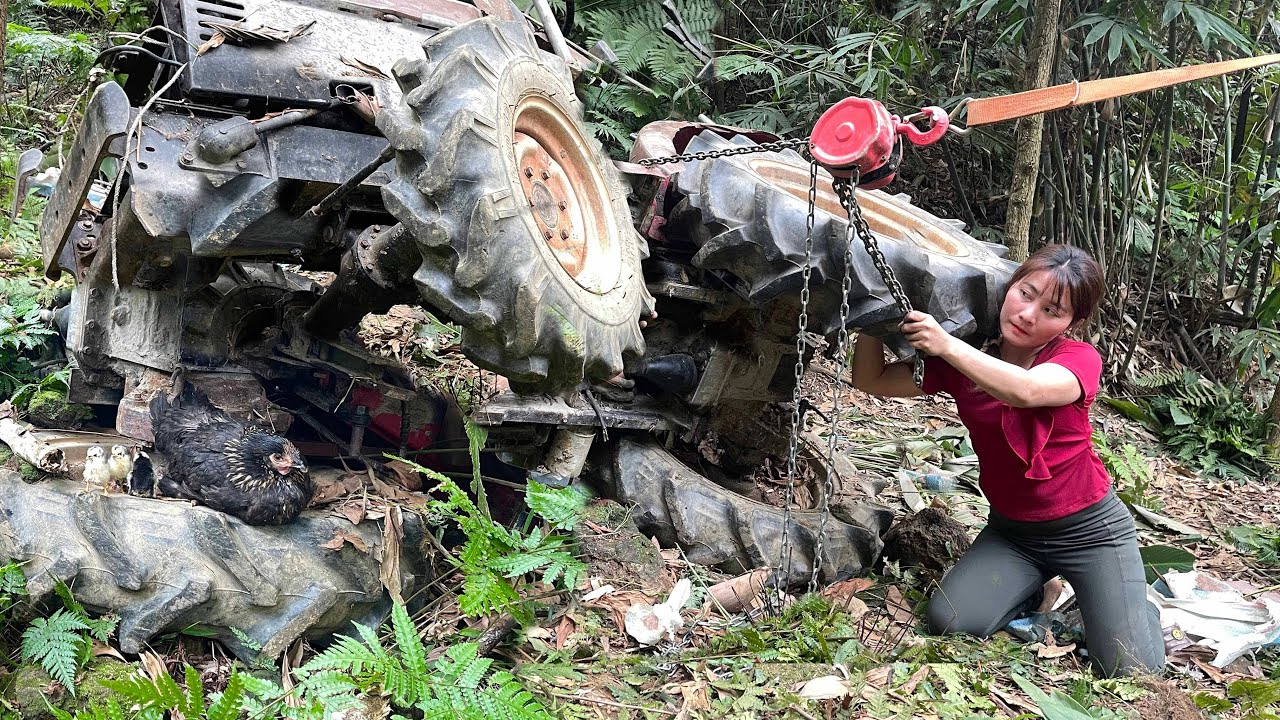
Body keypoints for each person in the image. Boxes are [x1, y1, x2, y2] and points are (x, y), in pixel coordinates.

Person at [850, 243, 1165, 678]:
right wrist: (872, 320)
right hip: (1014, 534)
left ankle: (1128, 603)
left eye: (1052, 310)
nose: (1028, 314)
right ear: (1009, 286)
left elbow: (1027, 390)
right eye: (1025, 293)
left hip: (1091, 532)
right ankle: (1041, 587)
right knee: (953, 621)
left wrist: (946, 345)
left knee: (1130, 669)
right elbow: (871, 380)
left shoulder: (1077, 359)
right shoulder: (968, 357)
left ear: (1070, 323)